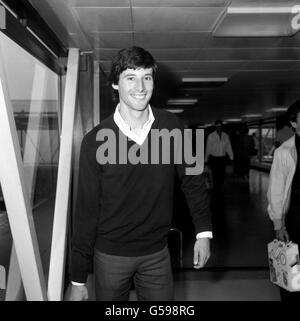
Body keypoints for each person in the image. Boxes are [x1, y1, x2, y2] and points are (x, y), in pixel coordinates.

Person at [69, 46, 212, 301]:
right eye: (130, 77)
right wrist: (78, 278)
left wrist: (203, 233)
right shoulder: (94, 141)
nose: (141, 87)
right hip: (110, 255)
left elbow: (194, 182)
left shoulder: (175, 128)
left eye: (147, 77)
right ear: (115, 84)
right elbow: (86, 210)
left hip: (157, 253)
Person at [267, 99, 300, 301]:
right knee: (292, 276)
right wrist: (278, 223)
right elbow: (276, 191)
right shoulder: (284, 152)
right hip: (296, 222)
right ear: (294, 123)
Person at [205, 120, 234, 195]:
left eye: (220, 126)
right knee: (215, 175)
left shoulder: (225, 136)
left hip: (222, 159)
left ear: (222, 127)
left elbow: (229, 147)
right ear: (215, 127)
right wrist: (206, 159)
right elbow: (208, 148)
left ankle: (219, 187)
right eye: (217, 126)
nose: (219, 128)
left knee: (222, 175)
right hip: (214, 159)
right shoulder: (211, 136)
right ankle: (216, 189)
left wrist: (231, 158)